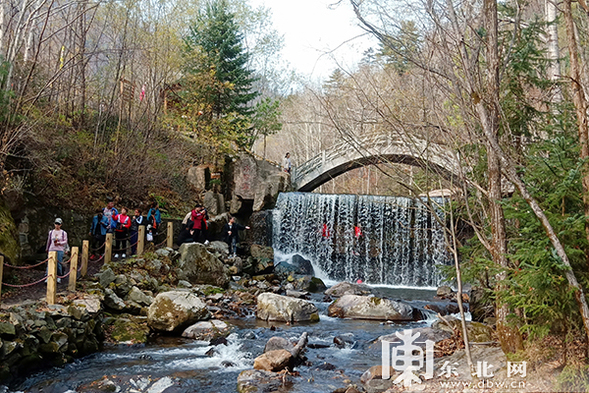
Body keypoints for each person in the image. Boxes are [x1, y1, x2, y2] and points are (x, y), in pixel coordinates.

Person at [46, 218, 68, 283]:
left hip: (60, 249)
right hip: (52, 249)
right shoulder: (51, 232)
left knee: (58, 264)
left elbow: (65, 241)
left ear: (61, 225)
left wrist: (60, 243)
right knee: (49, 263)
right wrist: (47, 248)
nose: (57, 225)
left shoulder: (63, 233)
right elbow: (49, 241)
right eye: (56, 224)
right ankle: (48, 276)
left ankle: (59, 276)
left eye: (58, 224)